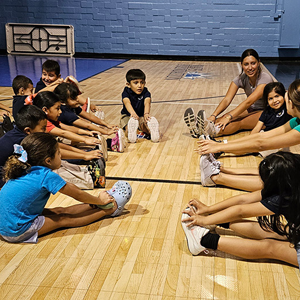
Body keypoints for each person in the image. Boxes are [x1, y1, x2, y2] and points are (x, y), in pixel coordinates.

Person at [0, 132, 132, 243]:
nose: (61, 155)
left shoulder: (25, 168)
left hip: (6, 224)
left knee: (58, 210)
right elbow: (76, 193)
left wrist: (97, 200)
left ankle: (103, 203)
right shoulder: (45, 175)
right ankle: (109, 209)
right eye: (58, 153)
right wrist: (99, 200)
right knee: (62, 219)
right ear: (48, 161)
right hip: (16, 230)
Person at [181, 152, 299, 269]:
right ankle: (217, 221)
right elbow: (244, 200)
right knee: (283, 231)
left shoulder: (287, 196)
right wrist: (209, 210)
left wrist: (204, 220)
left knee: (272, 247)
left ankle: (204, 241)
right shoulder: (293, 181)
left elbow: (241, 211)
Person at [198, 79, 300, 191]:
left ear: (291, 103)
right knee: (276, 164)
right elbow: (260, 137)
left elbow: (261, 144)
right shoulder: (296, 120)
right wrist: (221, 144)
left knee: (276, 179)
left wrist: (219, 147)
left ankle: (215, 178)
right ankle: (223, 170)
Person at [0, 105, 104, 189]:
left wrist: (84, 154)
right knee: (50, 168)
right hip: (5, 180)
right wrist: (84, 156)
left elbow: (55, 146)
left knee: (55, 161)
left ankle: (85, 171)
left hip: (12, 173)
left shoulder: (21, 133)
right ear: (28, 130)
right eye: (43, 128)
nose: (45, 131)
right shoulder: (22, 142)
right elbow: (54, 153)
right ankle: (91, 180)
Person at [184, 49, 273, 138]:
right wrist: (213, 116)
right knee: (224, 117)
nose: (250, 68)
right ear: (241, 65)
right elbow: (227, 99)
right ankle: (198, 128)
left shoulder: (265, 78)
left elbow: (249, 102)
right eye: (246, 64)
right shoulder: (241, 78)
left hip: (270, 112)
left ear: (259, 63)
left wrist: (229, 117)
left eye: (253, 63)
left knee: (238, 122)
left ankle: (211, 131)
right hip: (253, 109)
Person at [54, 82, 125, 153]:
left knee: (88, 133)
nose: (77, 100)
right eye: (73, 98)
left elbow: (89, 116)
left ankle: (109, 144)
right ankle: (106, 146)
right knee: (85, 136)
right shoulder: (65, 112)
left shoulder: (72, 106)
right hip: (60, 137)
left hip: (70, 131)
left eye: (76, 97)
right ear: (62, 101)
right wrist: (106, 131)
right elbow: (87, 125)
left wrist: (106, 125)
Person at [32, 91, 101, 147]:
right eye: (57, 108)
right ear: (45, 110)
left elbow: (66, 128)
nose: (60, 111)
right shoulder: (42, 121)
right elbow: (63, 133)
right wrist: (85, 139)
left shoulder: (49, 118)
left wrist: (87, 133)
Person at [35, 59, 100, 113]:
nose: (47, 78)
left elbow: (76, 97)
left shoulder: (59, 86)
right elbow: (40, 93)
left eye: (51, 75)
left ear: (58, 76)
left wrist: (90, 105)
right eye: (44, 74)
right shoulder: (40, 85)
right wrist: (58, 83)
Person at [121, 69, 159, 143]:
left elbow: (147, 102)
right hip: (127, 115)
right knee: (127, 128)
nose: (139, 86)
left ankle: (153, 133)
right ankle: (131, 135)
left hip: (141, 116)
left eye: (142, 83)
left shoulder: (145, 92)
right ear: (128, 84)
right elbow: (126, 102)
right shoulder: (126, 92)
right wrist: (132, 113)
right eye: (136, 83)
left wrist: (146, 113)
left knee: (144, 126)